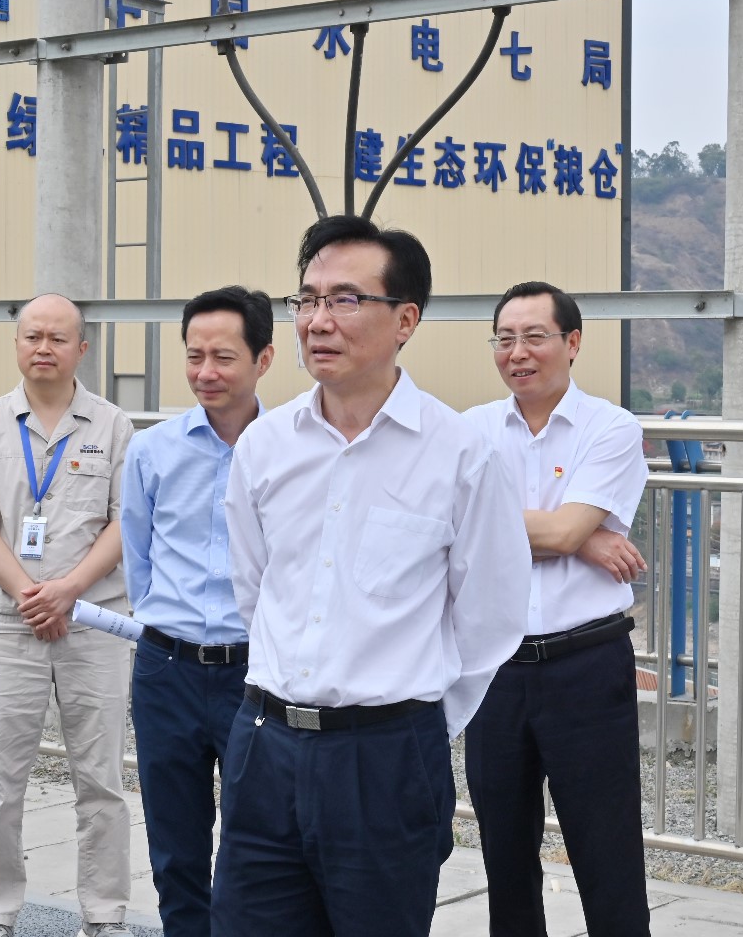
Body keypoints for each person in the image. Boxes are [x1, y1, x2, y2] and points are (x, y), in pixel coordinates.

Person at [213, 216, 532, 937]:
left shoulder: (460, 454)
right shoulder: (265, 445)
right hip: (264, 744)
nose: (318, 320)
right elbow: (254, 587)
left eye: (346, 300)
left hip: (386, 758)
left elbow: (490, 615)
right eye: (307, 299)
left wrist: (410, 725)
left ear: (405, 321)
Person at [462, 281, 651, 937]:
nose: (517, 352)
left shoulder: (611, 427)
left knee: (607, 850)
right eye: (504, 339)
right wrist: (580, 535)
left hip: (586, 662)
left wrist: (572, 533)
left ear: (572, 343)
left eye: (534, 337)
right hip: (495, 668)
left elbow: (558, 532)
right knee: (504, 853)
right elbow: (450, 528)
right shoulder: (471, 431)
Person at [0, 293, 135, 937]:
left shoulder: (113, 426)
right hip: (10, 620)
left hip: (94, 619)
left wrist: (69, 591)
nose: (44, 348)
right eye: (33, 336)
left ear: (81, 349)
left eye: (58, 338)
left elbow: (125, 522)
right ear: (17, 344)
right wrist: (33, 595)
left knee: (102, 780)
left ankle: (105, 916)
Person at [121, 285, 275, 937]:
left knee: (259, 842)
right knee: (175, 844)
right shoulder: (152, 450)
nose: (206, 372)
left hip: (256, 673)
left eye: (223, 357)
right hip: (167, 669)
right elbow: (137, 557)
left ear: (263, 359)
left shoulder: (288, 449)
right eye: (194, 356)